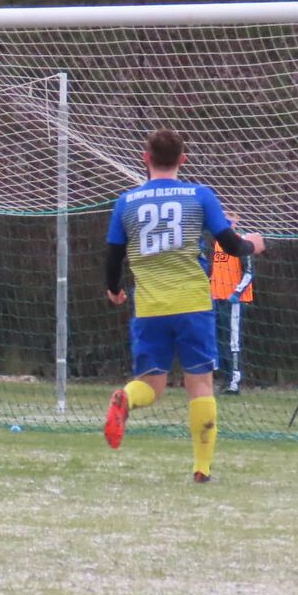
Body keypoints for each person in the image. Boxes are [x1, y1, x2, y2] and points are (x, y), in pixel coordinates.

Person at [103, 129, 265, 483]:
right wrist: (253, 244)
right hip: (192, 304)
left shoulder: (126, 202)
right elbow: (231, 244)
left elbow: (113, 256)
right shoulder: (199, 195)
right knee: (201, 385)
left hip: (149, 307)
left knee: (152, 385)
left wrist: (114, 289)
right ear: (182, 159)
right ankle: (202, 467)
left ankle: (125, 399)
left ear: (145, 159)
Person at [208, 214, 255, 395]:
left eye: (230, 219)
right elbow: (218, 270)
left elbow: (249, 272)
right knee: (219, 339)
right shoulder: (219, 243)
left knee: (232, 341)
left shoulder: (242, 241)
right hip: (217, 298)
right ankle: (224, 378)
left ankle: (234, 382)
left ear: (237, 220)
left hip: (233, 301)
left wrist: (236, 293)